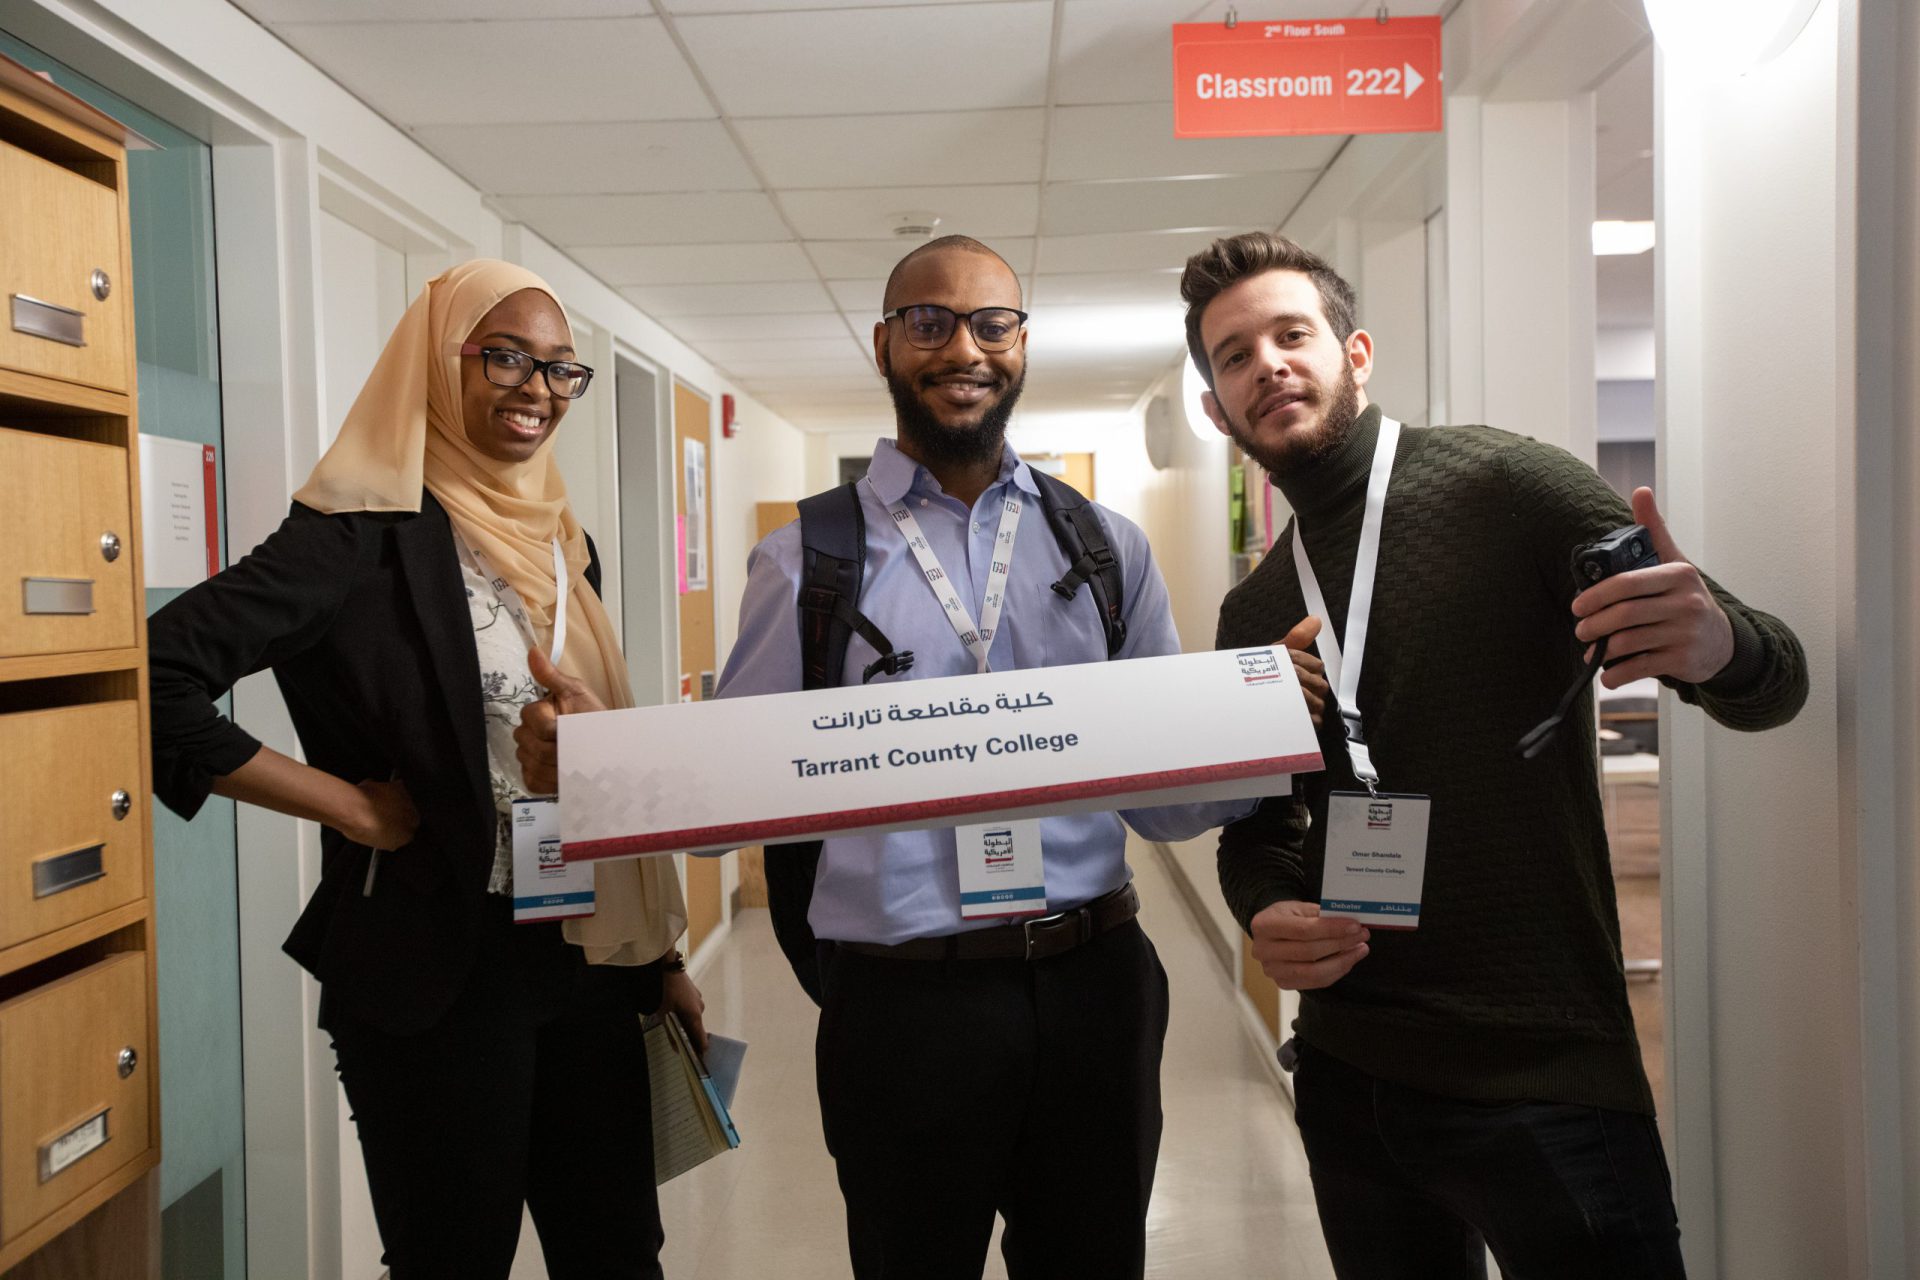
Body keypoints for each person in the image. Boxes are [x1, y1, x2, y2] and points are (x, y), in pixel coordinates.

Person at [1188, 231, 1808, 1279]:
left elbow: (1774, 679)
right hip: (1351, 1077)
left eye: (1292, 335)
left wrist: (1718, 647)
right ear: (1216, 408)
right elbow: (1259, 826)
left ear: (1356, 352)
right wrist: (1266, 907)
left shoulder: (1507, 484)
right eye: (1236, 355)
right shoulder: (1254, 608)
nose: (1269, 366)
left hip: (1543, 1075)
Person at [147, 259, 703, 1280]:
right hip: (441, 965)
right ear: (440, 362)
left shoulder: (562, 541)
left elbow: (599, 752)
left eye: (560, 368)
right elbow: (156, 677)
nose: (538, 389)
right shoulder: (352, 537)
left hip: (587, 951)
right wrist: (346, 806)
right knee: (452, 1257)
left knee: (619, 1251)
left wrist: (660, 960)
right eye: (506, 357)